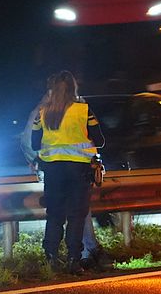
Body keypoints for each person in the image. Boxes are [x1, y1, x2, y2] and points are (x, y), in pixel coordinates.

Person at [30, 71, 105, 275]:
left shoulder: (42, 113)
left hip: (53, 171)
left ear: (52, 90)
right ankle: (74, 261)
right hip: (78, 171)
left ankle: (51, 259)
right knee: (76, 216)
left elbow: (34, 143)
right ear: (73, 88)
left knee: (54, 215)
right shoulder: (84, 110)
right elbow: (100, 140)